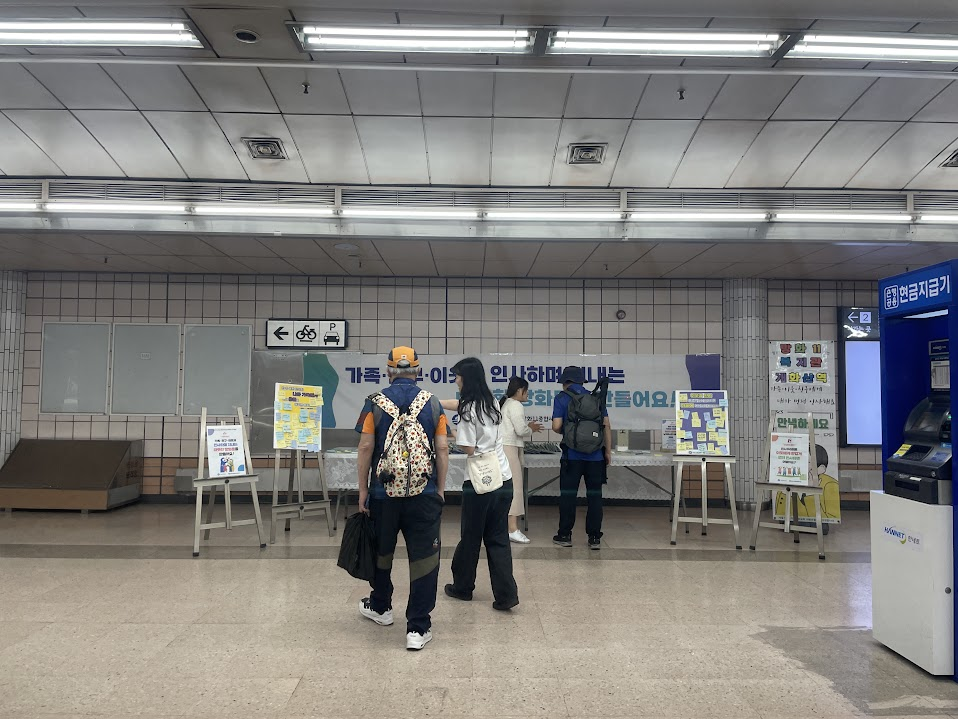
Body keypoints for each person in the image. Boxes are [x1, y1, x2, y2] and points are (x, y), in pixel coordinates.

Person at [355, 346, 449, 651]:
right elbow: (442, 448)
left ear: (388, 371)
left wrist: (363, 490)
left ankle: (381, 607)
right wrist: (440, 488)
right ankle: (418, 628)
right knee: (424, 558)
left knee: (381, 552)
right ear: (418, 371)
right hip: (424, 493)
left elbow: (365, 447)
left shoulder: (374, 402)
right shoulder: (432, 403)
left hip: (383, 493)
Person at [440, 357, 519, 611]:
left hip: (479, 482)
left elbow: (468, 447)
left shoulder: (467, 411)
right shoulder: (492, 402)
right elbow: (460, 404)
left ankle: (462, 587)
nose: (456, 380)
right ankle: (507, 596)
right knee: (498, 538)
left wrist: (450, 433)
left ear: (466, 379)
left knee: (471, 537)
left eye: (457, 376)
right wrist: (435, 402)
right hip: (503, 479)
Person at [551, 366, 612, 550]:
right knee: (595, 496)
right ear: (581, 381)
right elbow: (606, 425)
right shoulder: (595, 398)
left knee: (568, 495)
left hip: (572, 456)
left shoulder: (562, 398)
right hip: (596, 457)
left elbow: (556, 426)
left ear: (565, 382)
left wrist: (568, 431)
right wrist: (608, 452)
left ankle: (564, 535)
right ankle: (594, 538)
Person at [499, 376, 543, 544]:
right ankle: (513, 529)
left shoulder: (506, 403)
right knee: (516, 489)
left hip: (505, 448)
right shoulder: (516, 405)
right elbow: (520, 430)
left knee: (507, 489)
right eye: (526, 391)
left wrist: (527, 428)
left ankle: (507, 527)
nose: (528, 394)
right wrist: (530, 429)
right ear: (519, 391)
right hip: (510, 449)